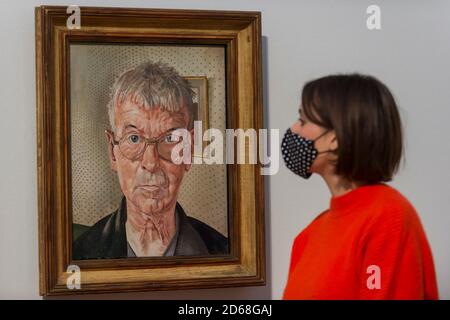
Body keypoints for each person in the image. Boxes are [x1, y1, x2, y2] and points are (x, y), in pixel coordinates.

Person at [281, 74, 438, 299]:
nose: (294, 129)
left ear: (335, 137)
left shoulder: (387, 218)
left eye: (303, 120)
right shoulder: (309, 236)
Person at [73, 61, 228, 259]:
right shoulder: (80, 255)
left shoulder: (222, 252)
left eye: (170, 138)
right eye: (134, 138)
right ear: (113, 152)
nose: (151, 162)